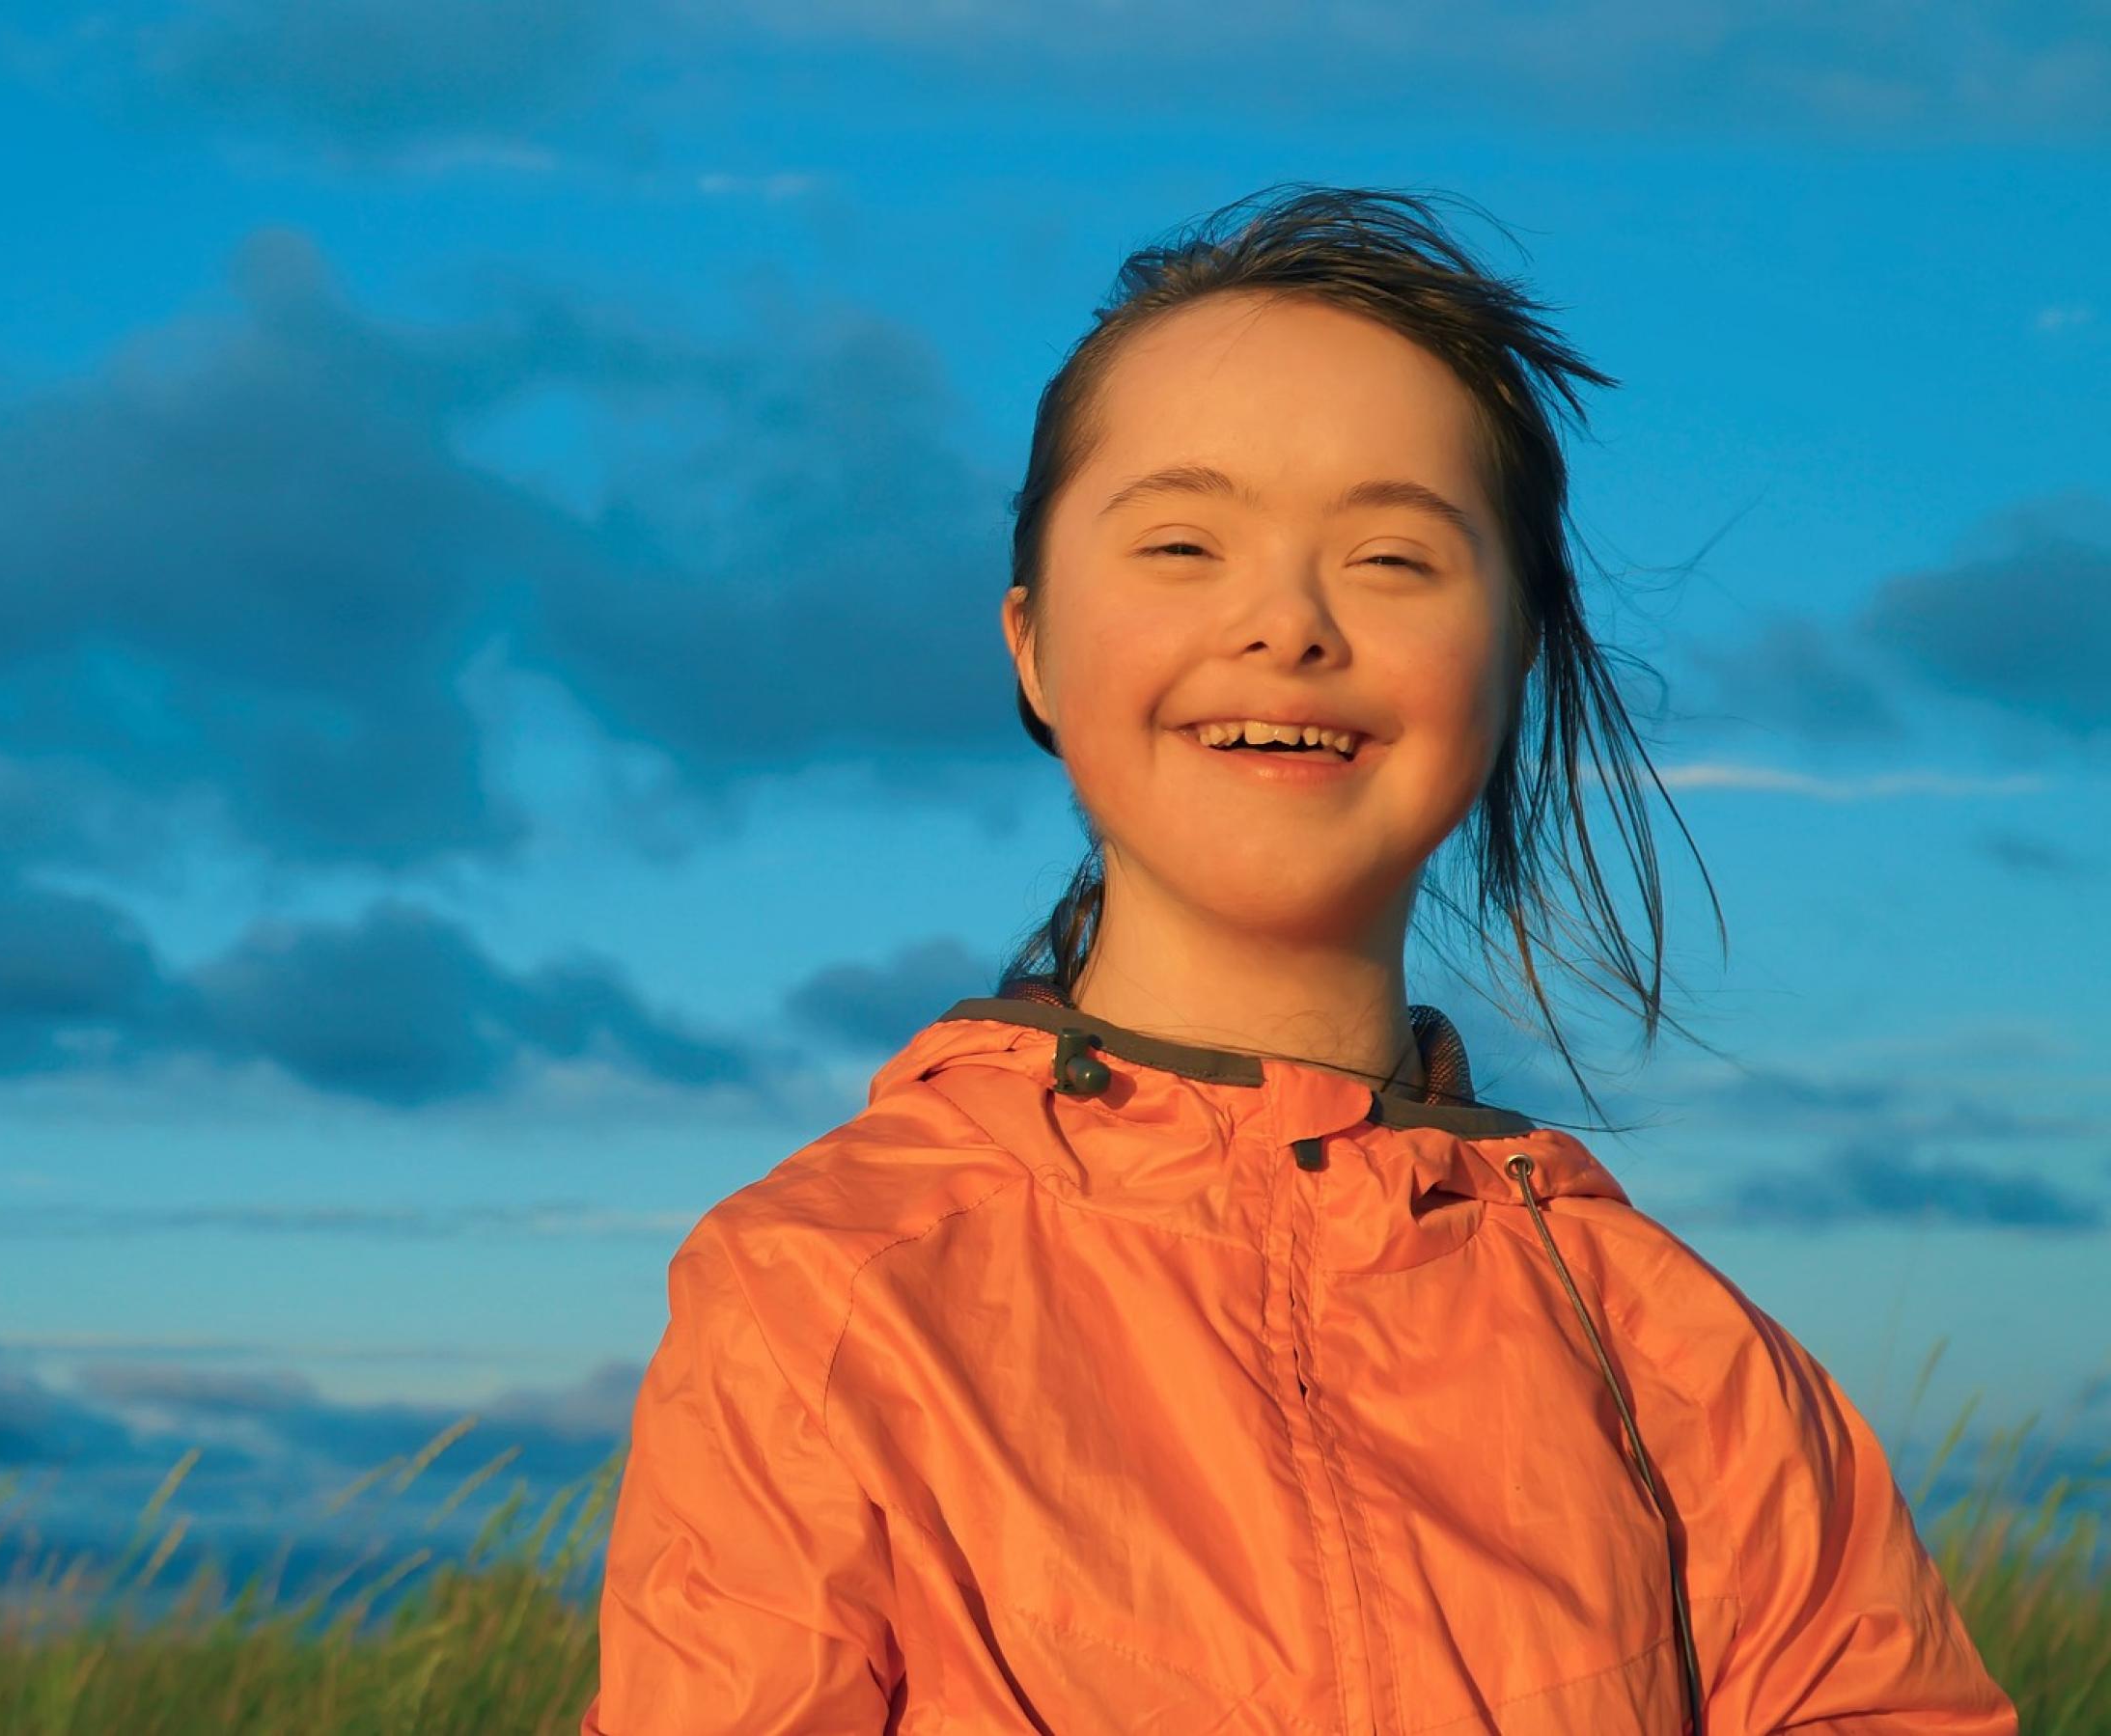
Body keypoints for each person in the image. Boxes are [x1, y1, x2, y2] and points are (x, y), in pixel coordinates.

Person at [576, 185, 2018, 1735]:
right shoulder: (830, 1291)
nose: (1287, 622)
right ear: (1034, 647)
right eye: (1184, 541)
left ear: (1514, 657)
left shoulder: (1682, 1361)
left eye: (1394, 557)